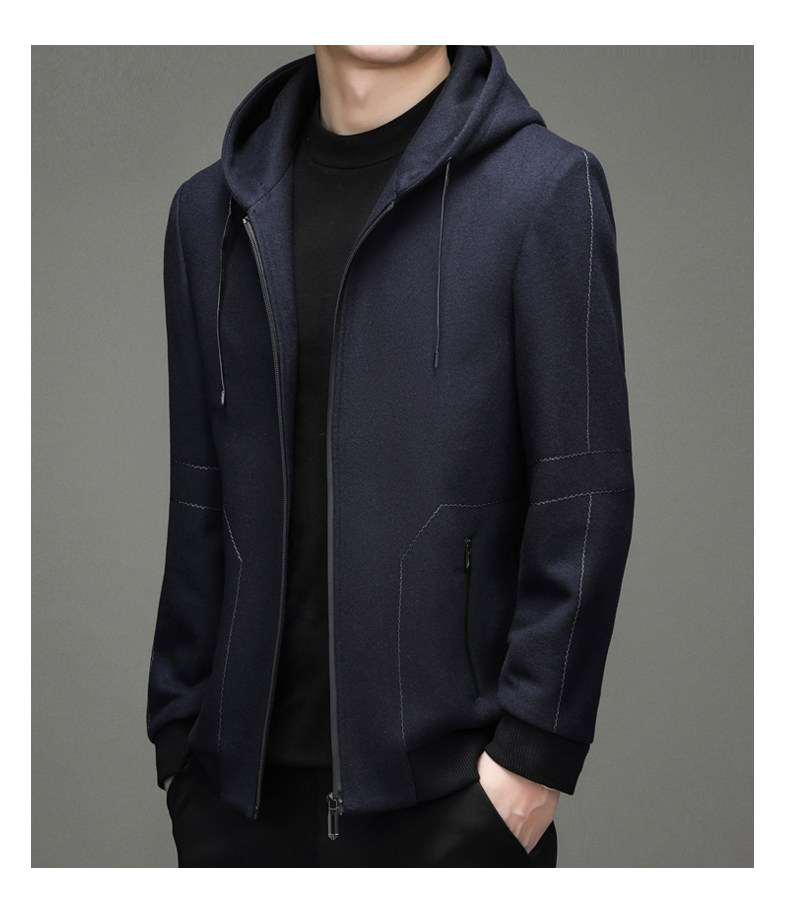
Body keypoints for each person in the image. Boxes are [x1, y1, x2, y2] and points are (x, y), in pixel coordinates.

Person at [146, 44, 635, 868]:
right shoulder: (208, 216)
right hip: (234, 802)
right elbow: (198, 494)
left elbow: (585, 494)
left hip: (454, 803)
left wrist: (530, 759)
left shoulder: (544, 190)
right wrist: (177, 741)